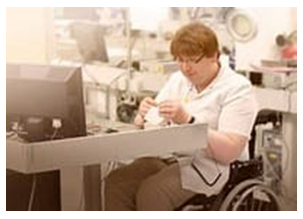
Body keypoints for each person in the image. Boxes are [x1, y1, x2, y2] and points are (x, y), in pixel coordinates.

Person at [104, 21, 258, 211]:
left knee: (152, 192)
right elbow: (152, 124)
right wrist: (143, 116)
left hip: (208, 165)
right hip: (168, 156)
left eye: (193, 60)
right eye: (180, 60)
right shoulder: (179, 80)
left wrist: (189, 121)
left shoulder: (237, 88)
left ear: (214, 56)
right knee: (117, 182)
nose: (186, 68)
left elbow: (230, 152)